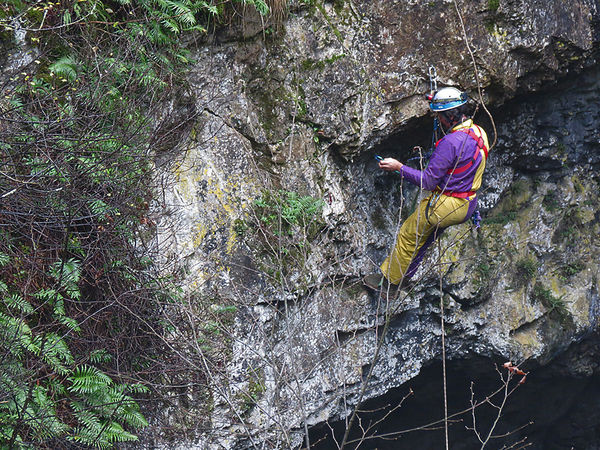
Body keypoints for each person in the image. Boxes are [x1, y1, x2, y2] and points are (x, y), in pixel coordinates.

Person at [363, 87, 489, 295]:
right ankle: (404, 277)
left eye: (439, 116)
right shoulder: (478, 132)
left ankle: (388, 285)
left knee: (408, 235)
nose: (438, 120)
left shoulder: (450, 143)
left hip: (447, 205)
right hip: (468, 202)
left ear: (449, 116)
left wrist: (399, 168)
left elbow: (428, 181)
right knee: (424, 239)